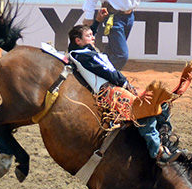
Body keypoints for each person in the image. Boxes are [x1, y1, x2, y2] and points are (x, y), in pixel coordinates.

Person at [68, 24, 181, 165]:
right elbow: (105, 71)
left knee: (160, 101)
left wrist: (96, 23)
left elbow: (86, 43)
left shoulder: (86, 52)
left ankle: (165, 140)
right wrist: (124, 83)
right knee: (143, 111)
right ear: (78, 41)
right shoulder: (80, 55)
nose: (93, 37)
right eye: (89, 35)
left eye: (92, 34)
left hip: (117, 85)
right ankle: (158, 153)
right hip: (109, 90)